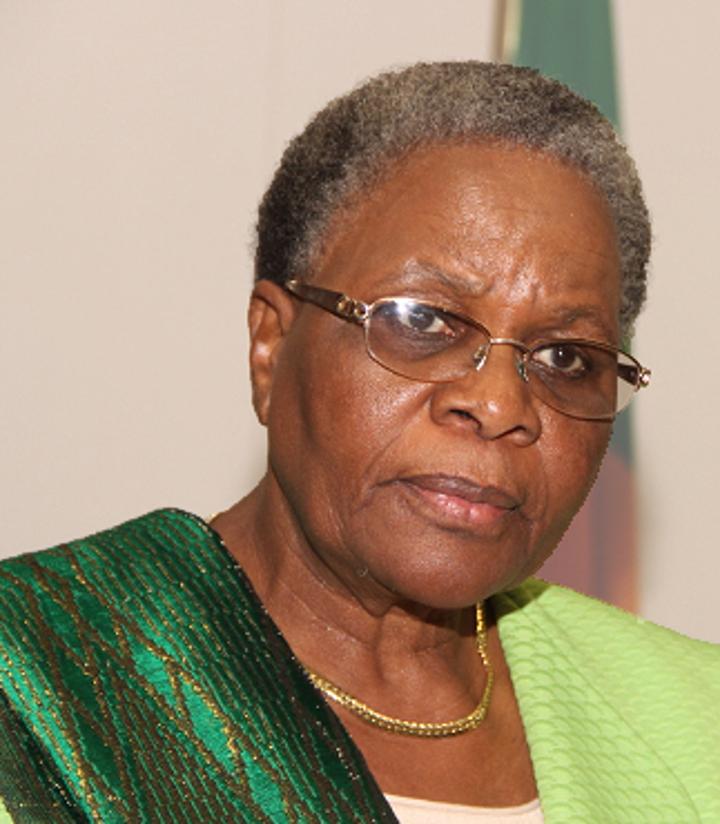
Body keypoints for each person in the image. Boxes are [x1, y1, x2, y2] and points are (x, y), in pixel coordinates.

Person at [0, 61, 718, 824]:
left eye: (566, 358)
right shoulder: (40, 682)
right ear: (271, 346)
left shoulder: (692, 719)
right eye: (424, 320)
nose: (500, 405)